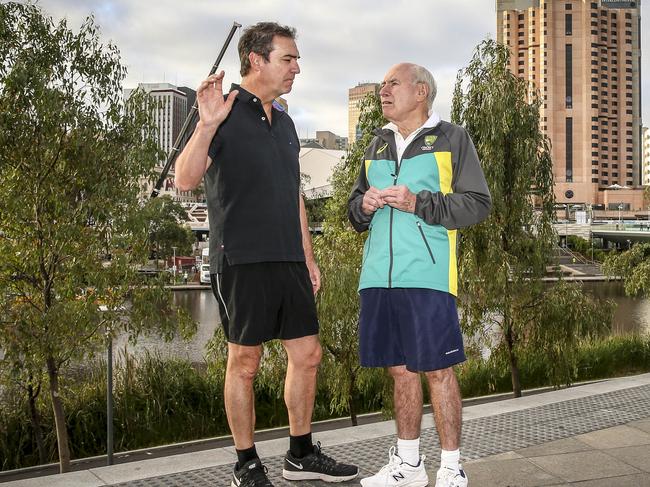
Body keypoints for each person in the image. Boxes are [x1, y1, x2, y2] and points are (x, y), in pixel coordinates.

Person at [175, 22, 358, 487]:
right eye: (288, 58)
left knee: (309, 354)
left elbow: (292, 191)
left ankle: (299, 454)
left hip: (288, 259)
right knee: (245, 362)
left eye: (297, 59)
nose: (297, 67)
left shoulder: (287, 122)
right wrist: (206, 125)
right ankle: (246, 464)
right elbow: (184, 178)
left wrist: (308, 256)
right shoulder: (223, 112)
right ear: (256, 60)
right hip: (241, 256)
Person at [348, 63, 491, 487]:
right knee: (399, 371)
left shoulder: (452, 138)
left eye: (393, 83)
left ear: (421, 91)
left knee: (438, 371)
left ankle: (451, 467)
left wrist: (419, 203)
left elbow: (477, 203)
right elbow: (353, 211)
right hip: (377, 276)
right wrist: (365, 206)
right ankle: (408, 466)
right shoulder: (375, 142)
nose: (383, 89)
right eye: (383, 84)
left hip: (428, 276)